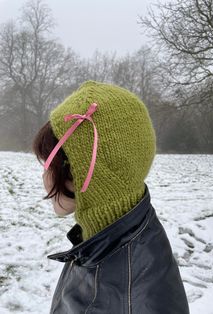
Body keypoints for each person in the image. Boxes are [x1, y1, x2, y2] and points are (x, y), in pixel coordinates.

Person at [32, 80, 190, 314]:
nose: (44, 177)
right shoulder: (111, 236)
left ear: (91, 174)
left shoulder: (122, 299)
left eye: (51, 165)